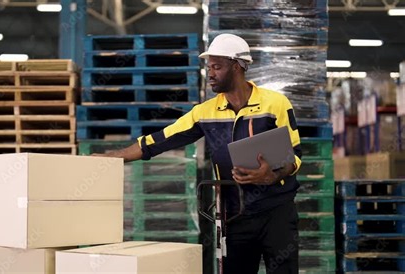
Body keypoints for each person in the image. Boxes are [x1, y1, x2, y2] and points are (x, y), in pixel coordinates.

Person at [95, 33, 302, 274]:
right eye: (208, 67)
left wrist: (272, 175)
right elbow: (159, 140)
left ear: (236, 67)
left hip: (276, 212)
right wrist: (114, 157)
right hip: (234, 216)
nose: (210, 74)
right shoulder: (204, 112)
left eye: (217, 67)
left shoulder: (275, 104)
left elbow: (294, 156)